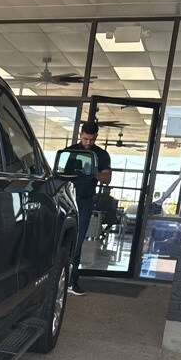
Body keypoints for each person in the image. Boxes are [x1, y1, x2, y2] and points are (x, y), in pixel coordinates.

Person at [65, 122, 112, 296]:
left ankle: (71, 281)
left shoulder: (101, 154)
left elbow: (107, 179)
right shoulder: (70, 151)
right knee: (61, 237)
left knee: (77, 239)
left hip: (85, 200)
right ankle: (56, 277)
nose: (88, 142)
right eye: (86, 138)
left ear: (96, 137)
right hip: (67, 197)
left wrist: (94, 172)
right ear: (80, 134)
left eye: (92, 139)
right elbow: (61, 173)